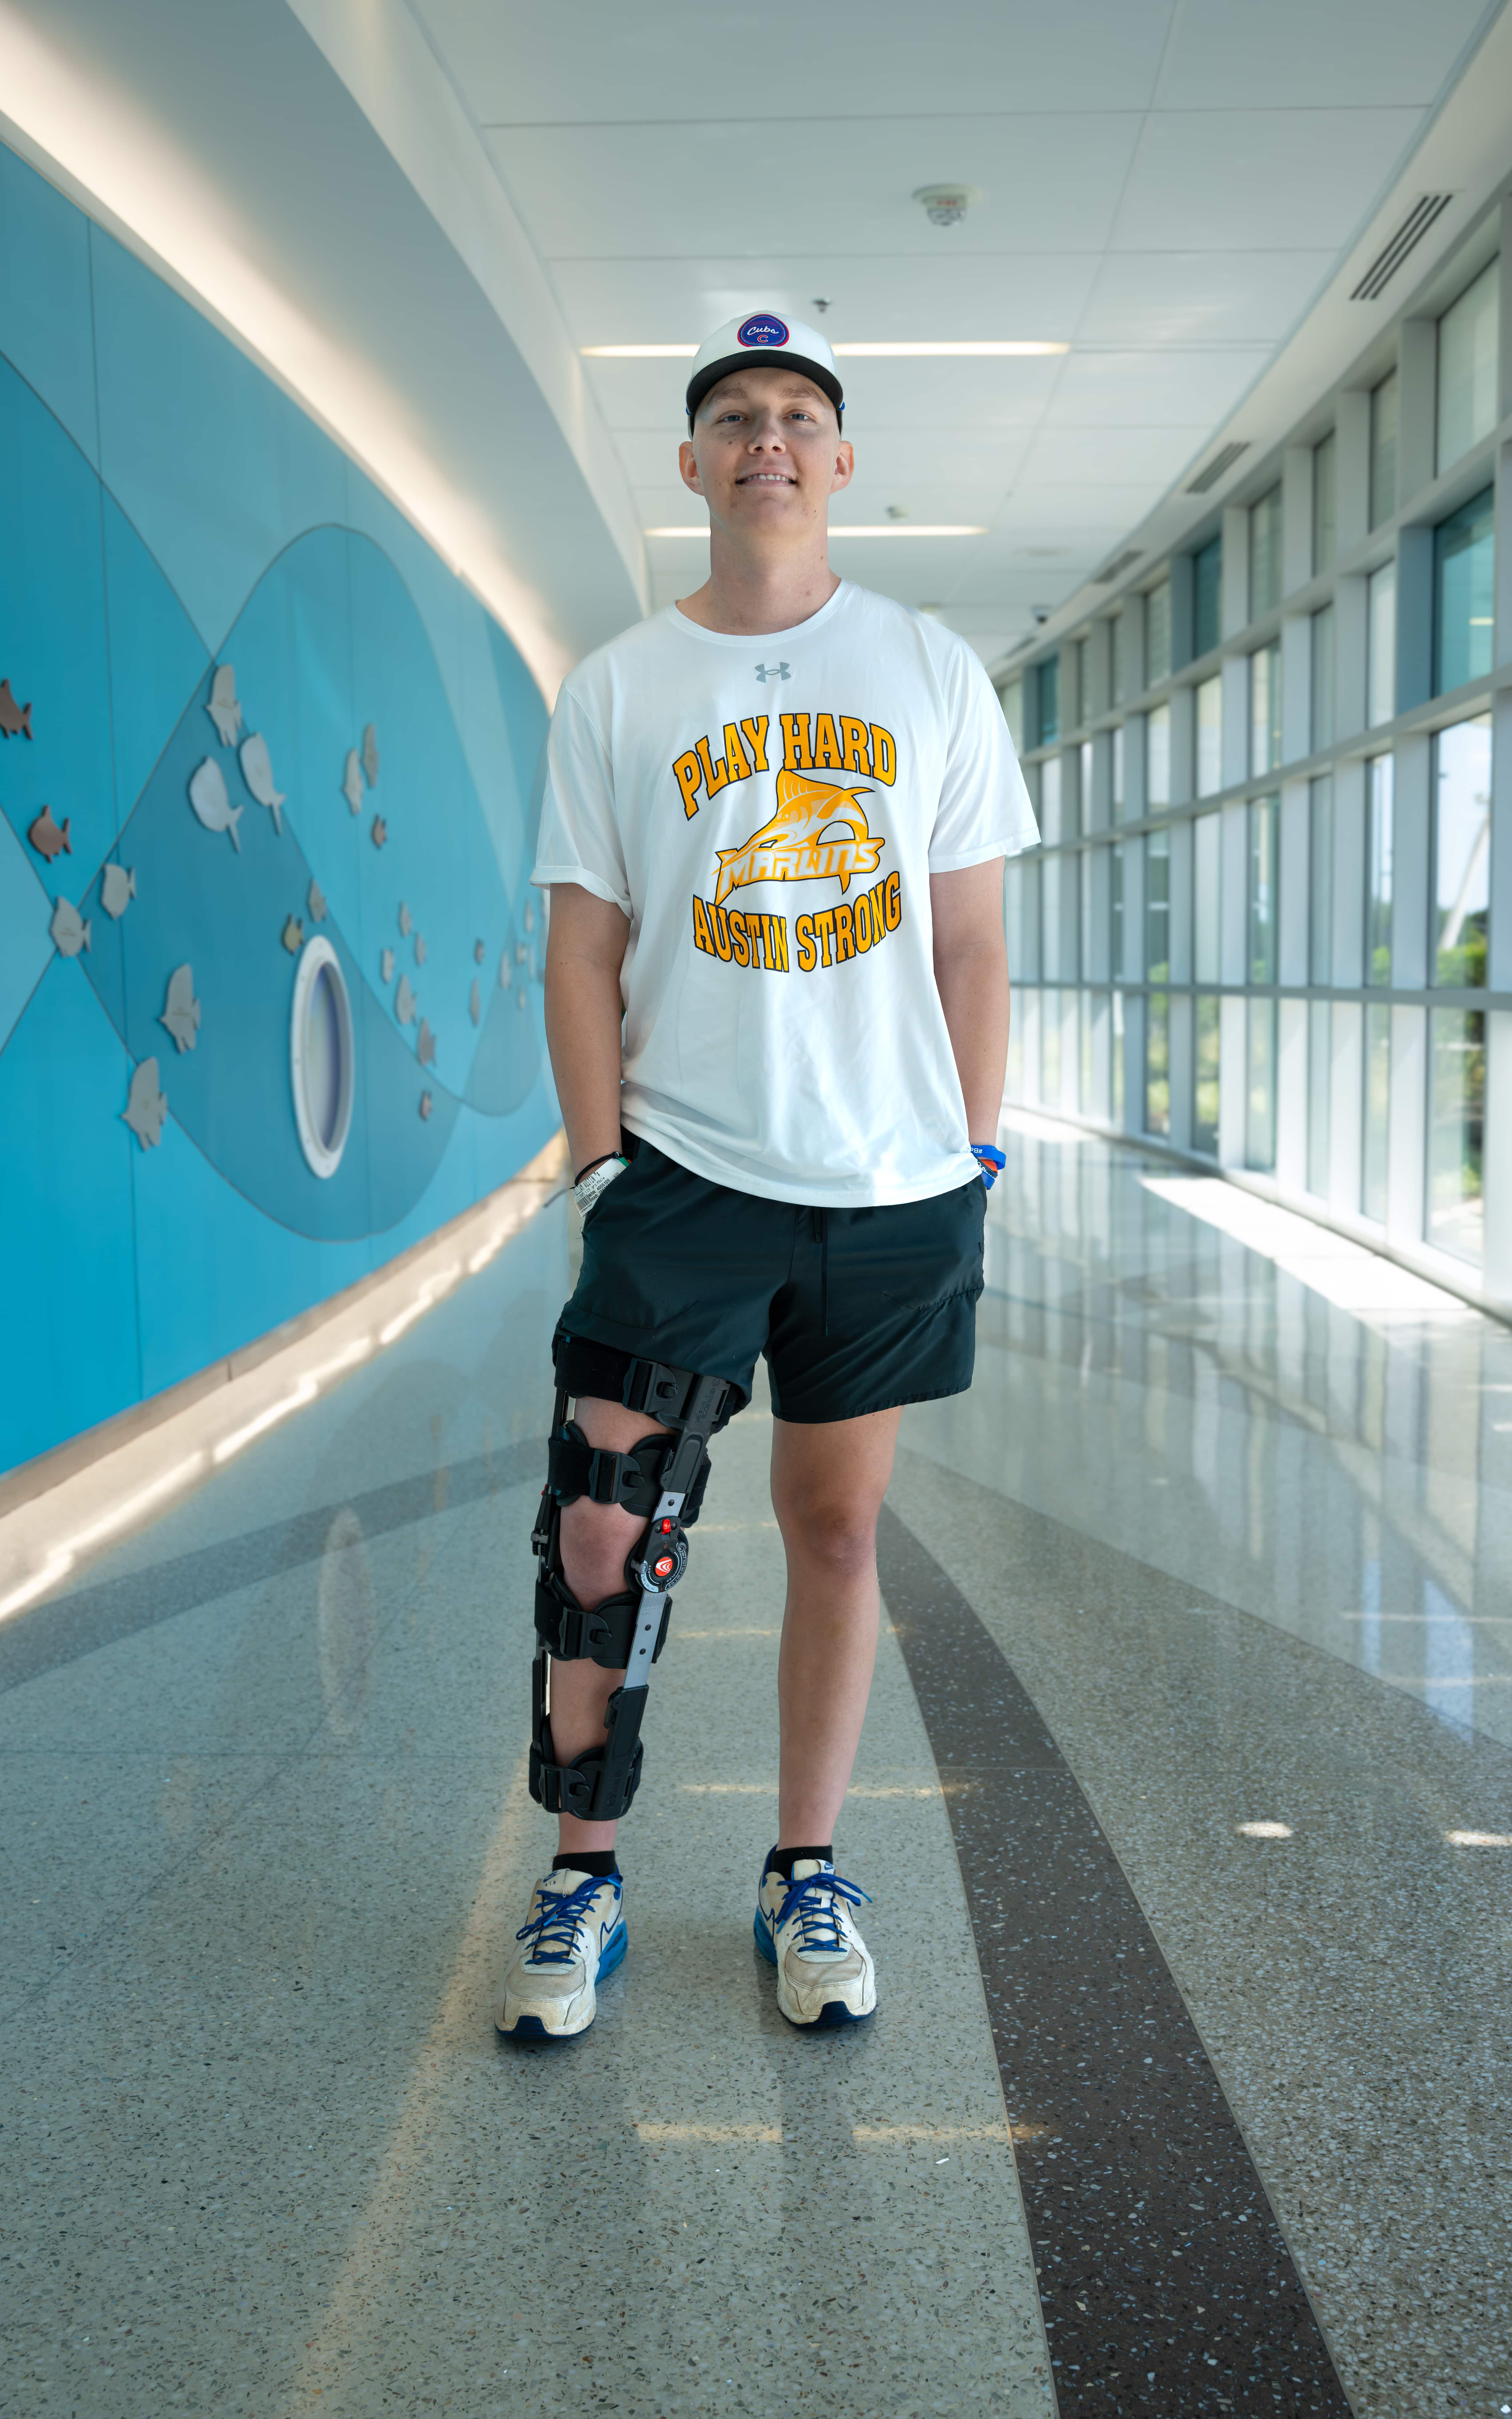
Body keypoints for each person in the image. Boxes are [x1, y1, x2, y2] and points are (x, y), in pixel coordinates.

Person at [496, 310, 1037, 2041]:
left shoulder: (930, 669)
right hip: (680, 1177)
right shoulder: (621, 683)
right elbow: (582, 949)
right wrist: (598, 1168)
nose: (769, 440)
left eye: (800, 415)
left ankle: (804, 1864)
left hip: (890, 1187)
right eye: (735, 416)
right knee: (602, 1530)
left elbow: (967, 938)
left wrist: (973, 1149)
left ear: (842, 461)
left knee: (836, 1524)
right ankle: (583, 1872)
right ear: (694, 463)